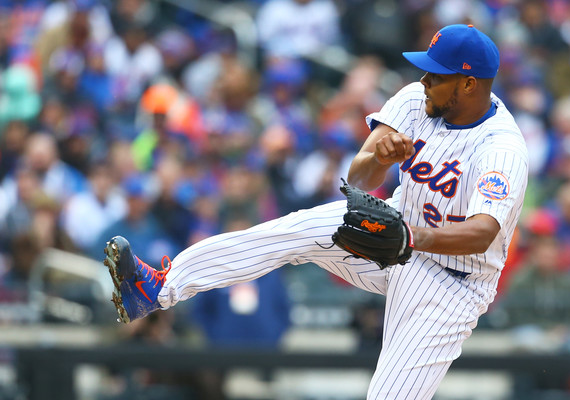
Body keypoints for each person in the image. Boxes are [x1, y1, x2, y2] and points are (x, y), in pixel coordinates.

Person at [103, 24, 529, 399]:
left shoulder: (501, 148)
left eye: (436, 74)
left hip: (452, 281)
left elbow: (482, 233)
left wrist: (411, 238)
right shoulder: (417, 99)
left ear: (469, 84)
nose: (424, 78)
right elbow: (359, 179)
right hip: (397, 230)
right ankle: (157, 288)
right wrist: (379, 158)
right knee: (294, 230)